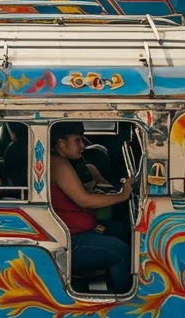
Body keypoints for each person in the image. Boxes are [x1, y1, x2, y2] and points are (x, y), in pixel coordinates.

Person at [49, 122, 134, 294]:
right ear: (61, 143)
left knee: (118, 229)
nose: (83, 146)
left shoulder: (66, 162)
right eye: (77, 141)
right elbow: (84, 201)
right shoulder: (59, 165)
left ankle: (111, 290)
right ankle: (127, 300)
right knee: (120, 251)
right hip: (69, 240)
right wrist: (122, 196)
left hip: (78, 230)